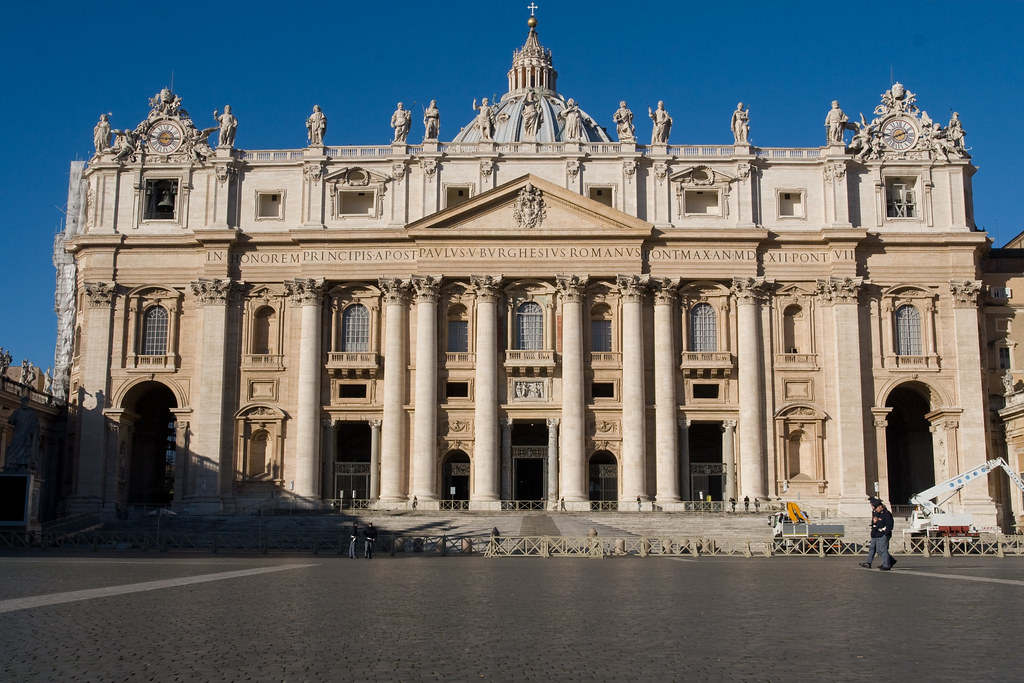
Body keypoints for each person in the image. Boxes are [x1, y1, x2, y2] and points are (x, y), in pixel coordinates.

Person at [4, 395, 40, 472]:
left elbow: (35, 423)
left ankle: (22, 464)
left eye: (25, 402)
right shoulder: (17, 412)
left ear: (27, 403)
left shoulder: (31, 413)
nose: (24, 403)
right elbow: (11, 420)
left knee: (25, 450)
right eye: (22, 402)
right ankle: (12, 464)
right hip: (17, 434)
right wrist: (10, 419)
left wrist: (33, 429)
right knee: (13, 449)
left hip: (26, 435)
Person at [861, 497, 897, 570]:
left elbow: (889, 525)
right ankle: (888, 561)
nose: (875, 509)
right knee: (874, 549)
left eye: (876, 507)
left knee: (882, 550)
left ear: (880, 506)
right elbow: (874, 523)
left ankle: (886, 565)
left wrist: (884, 533)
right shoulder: (875, 512)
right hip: (875, 533)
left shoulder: (886, 513)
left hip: (882, 534)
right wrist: (874, 523)